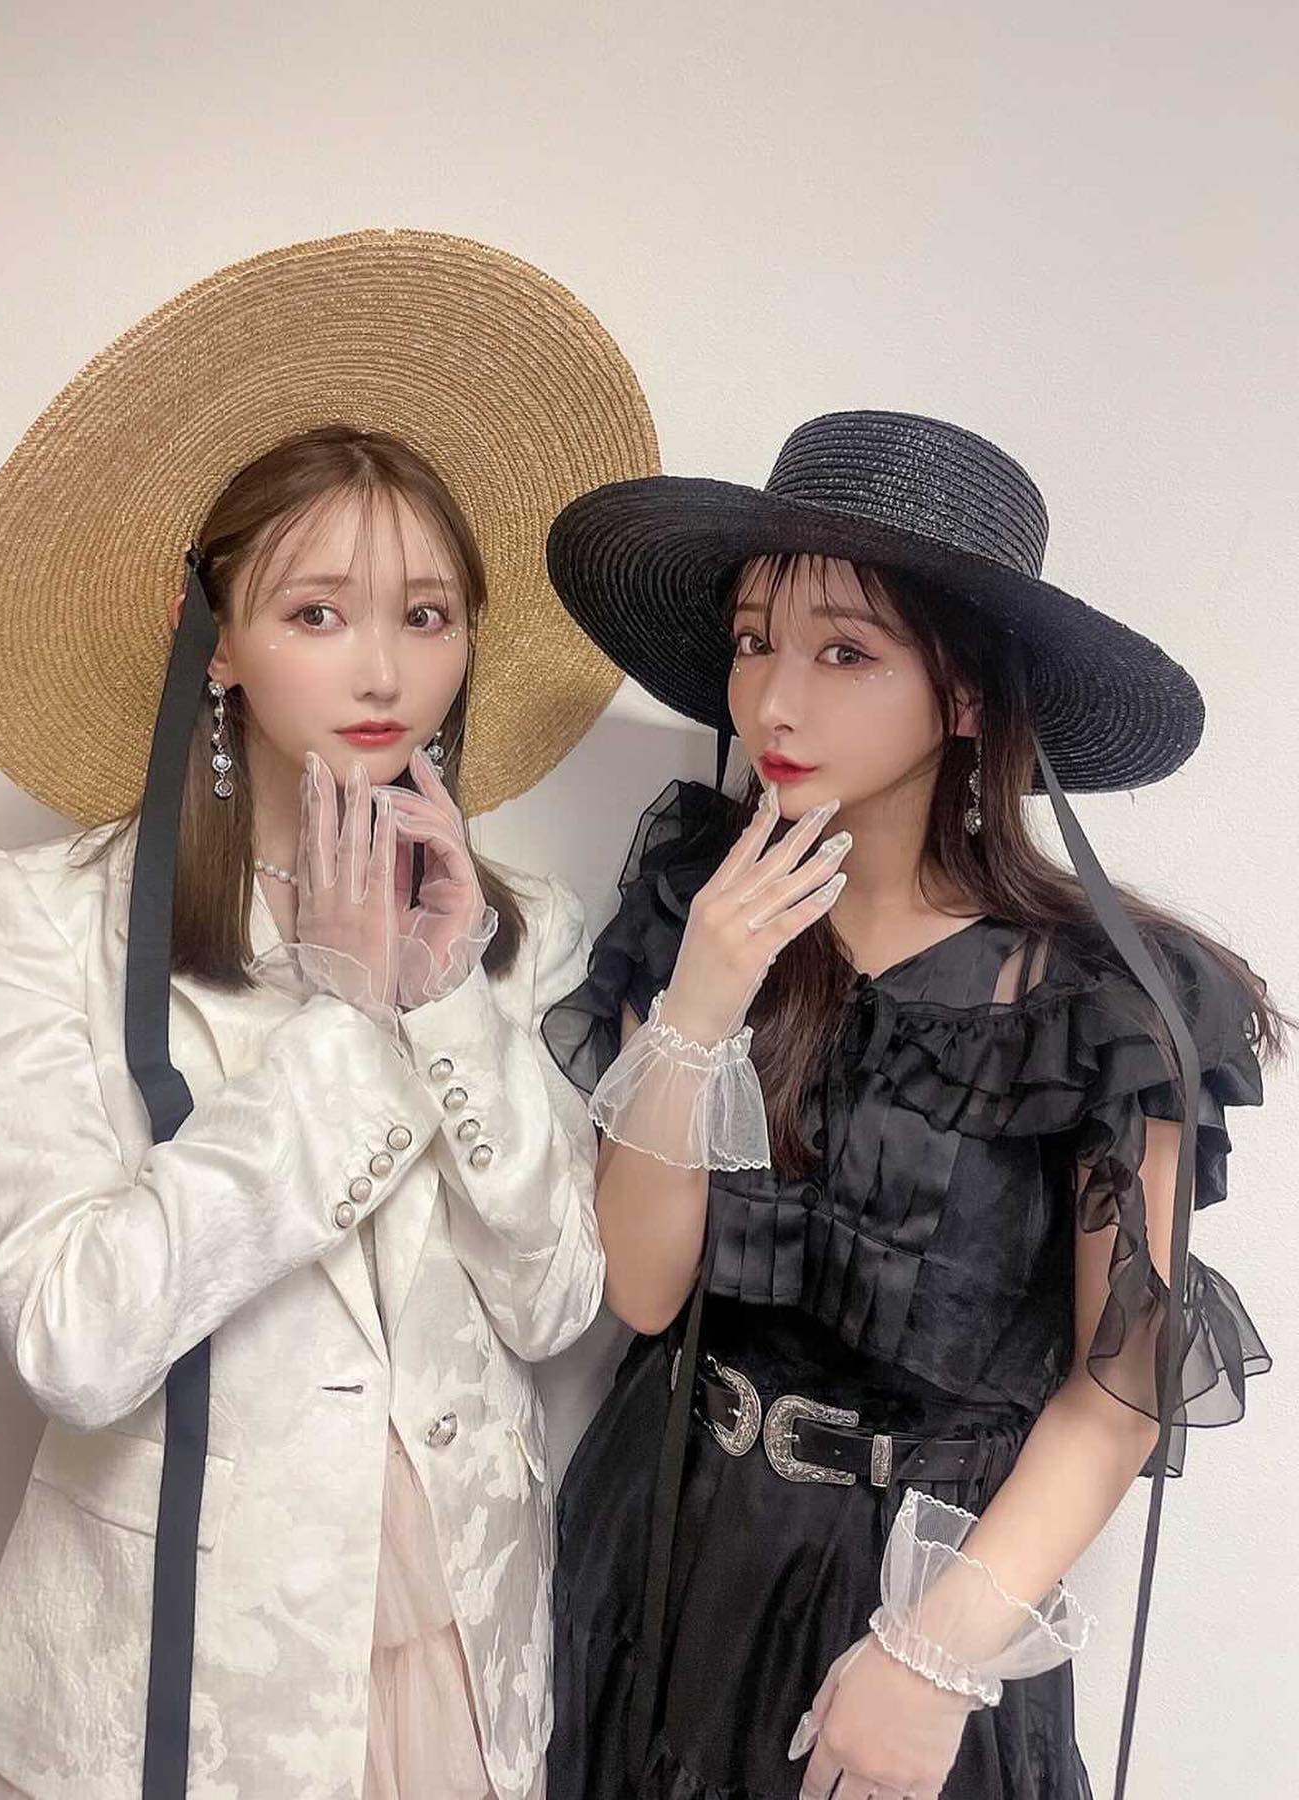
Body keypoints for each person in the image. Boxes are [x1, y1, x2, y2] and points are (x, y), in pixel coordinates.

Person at [0, 232, 659, 1800]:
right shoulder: (36, 918)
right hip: (174, 1679)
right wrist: (339, 1022)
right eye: (319, 613)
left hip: (457, 1650)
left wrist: (444, 1000)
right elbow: (74, 1335)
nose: (386, 670)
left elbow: (556, 1310)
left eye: (428, 615)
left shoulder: (520, 921)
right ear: (217, 647)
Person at [540, 410, 1281, 1799]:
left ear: (968, 699)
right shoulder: (697, 907)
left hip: (920, 1592)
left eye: (845, 654)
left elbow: (1118, 1395)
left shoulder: (1102, 1008)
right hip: (668, 1545)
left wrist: (934, 1656)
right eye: (754, 641)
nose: (774, 702)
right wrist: (701, 1003)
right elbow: (642, 1289)